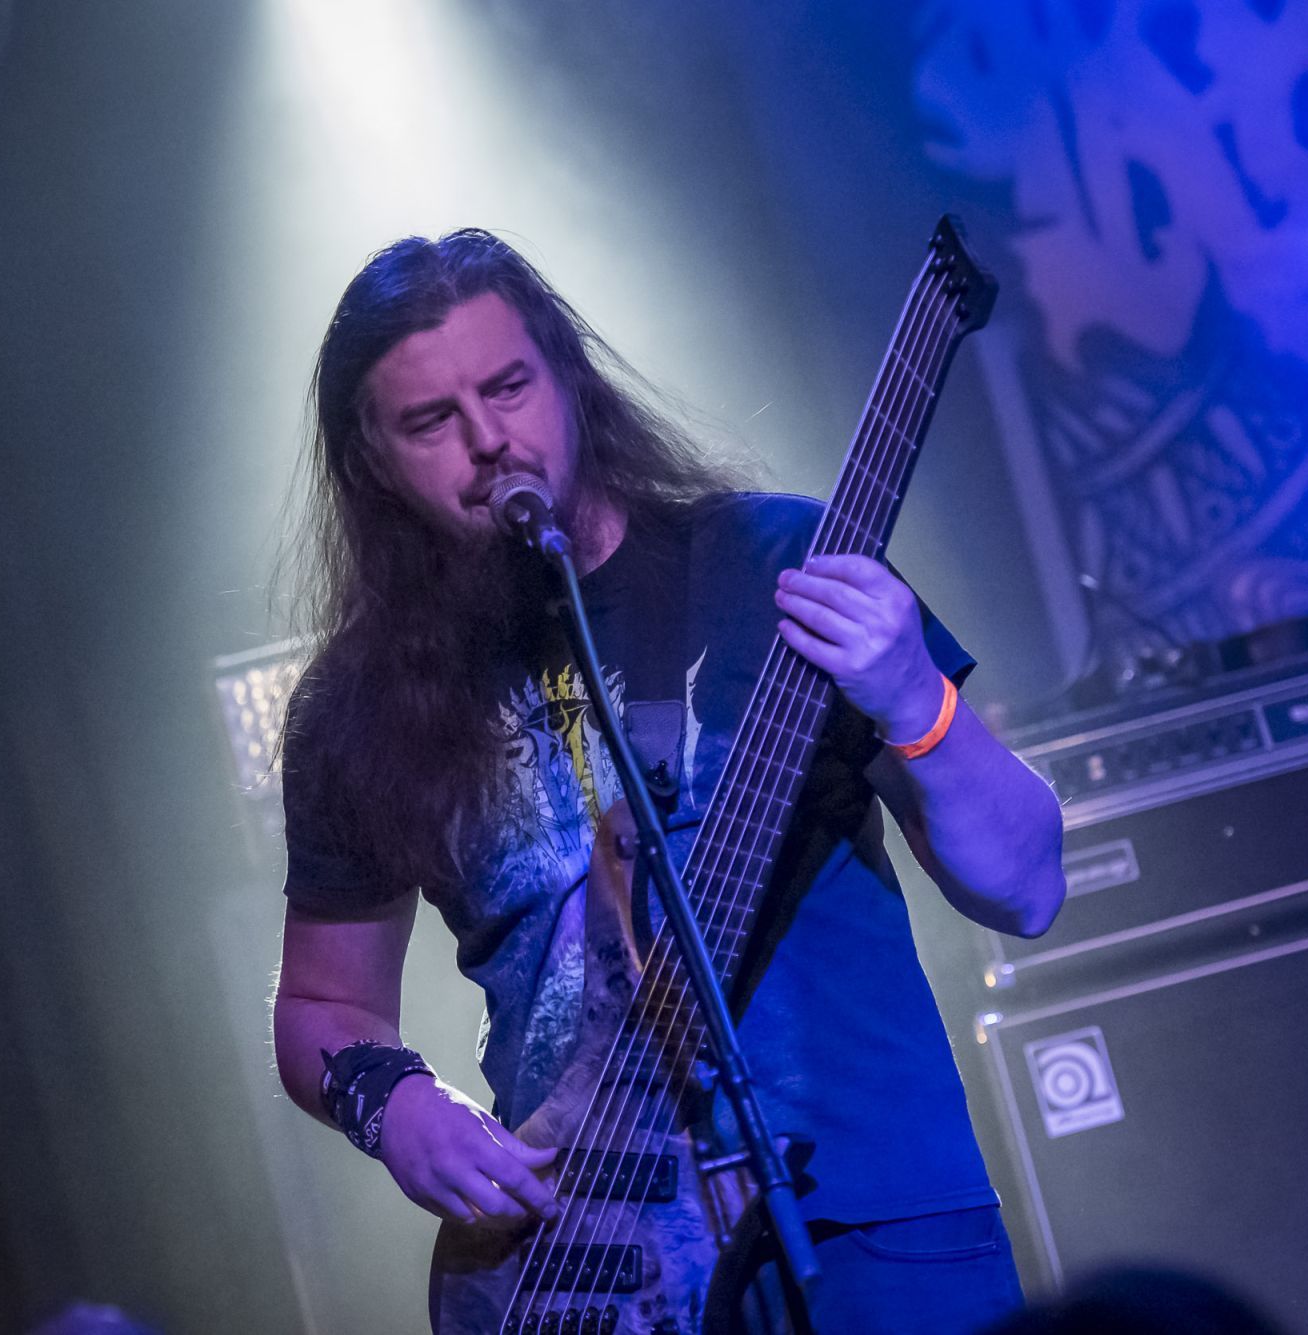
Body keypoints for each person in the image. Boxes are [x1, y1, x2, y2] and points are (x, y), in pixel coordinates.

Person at [271, 228, 1066, 1333]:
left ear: (568, 377)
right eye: (430, 422)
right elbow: (322, 1001)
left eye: (509, 387)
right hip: (590, 1258)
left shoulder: (774, 563)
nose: (488, 440)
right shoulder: (357, 708)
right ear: (372, 460)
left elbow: (1023, 888)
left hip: (872, 1222)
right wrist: (395, 1105)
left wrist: (914, 699)